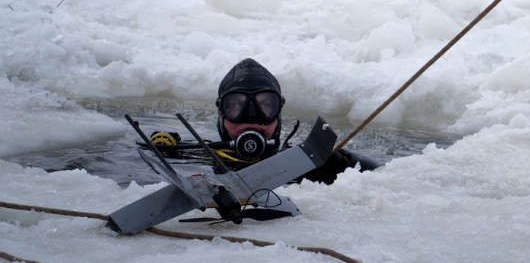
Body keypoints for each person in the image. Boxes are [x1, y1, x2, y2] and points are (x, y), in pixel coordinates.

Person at [148, 58, 378, 185]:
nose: (252, 116)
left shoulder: (306, 164)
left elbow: (383, 176)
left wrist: (342, 162)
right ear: (221, 113)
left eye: (265, 105)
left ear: (278, 113)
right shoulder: (194, 156)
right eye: (236, 106)